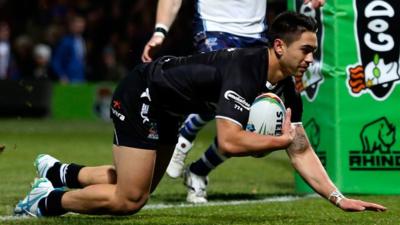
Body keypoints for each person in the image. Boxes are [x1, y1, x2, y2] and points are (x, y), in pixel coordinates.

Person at [15, 12, 386, 218]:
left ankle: (58, 171)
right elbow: (228, 140)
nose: (310, 58)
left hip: (168, 107)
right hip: (143, 94)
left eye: (313, 51)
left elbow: (301, 150)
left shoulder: (288, 86)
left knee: (135, 183)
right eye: (305, 50)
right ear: (278, 46)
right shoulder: (246, 70)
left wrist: (338, 198)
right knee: (130, 199)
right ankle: (47, 201)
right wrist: (278, 141)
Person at [141, 0, 325, 203]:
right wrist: (160, 30)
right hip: (214, 27)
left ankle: (198, 171)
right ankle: (185, 135)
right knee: (221, 93)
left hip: (256, 34)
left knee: (244, 119)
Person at [51, 14, 86, 84]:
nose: (79, 28)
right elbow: (56, 60)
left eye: (81, 26)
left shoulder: (82, 40)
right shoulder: (65, 41)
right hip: (69, 79)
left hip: (80, 78)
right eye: (77, 26)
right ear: (72, 26)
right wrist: (61, 75)